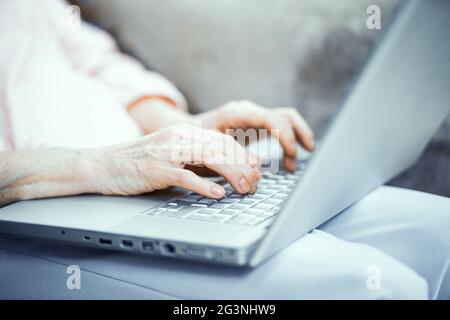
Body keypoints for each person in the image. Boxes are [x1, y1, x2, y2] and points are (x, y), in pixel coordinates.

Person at [0, 0, 448, 299]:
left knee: (440, 234)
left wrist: (185, 132)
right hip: (36, 216)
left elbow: (101, 65)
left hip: (140, 182)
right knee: (373, 287)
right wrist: (99, 166)